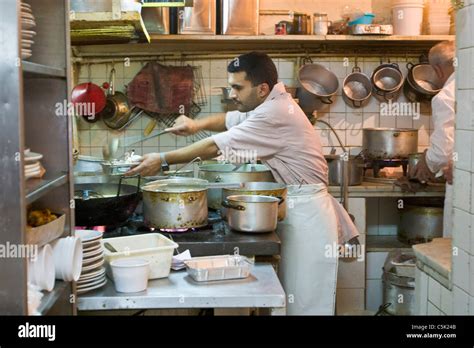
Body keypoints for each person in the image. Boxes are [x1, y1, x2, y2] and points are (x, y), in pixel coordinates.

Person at [127, 52, 359, 315]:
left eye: (237, 87)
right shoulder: (271, 103)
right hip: (298, 206)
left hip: (309, 214)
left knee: (305, 301)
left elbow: (215, 147)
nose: (232, 93)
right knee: (289, 298)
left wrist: (163, 159)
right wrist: (194, 125)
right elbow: (229, 121)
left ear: (261, 89)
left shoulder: (275, 113)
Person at [410, 41, 455, 237]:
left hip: (463, 181)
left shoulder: (445, 96)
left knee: (456, 244)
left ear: (437, 69)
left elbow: (443, 149)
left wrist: (426, 163)